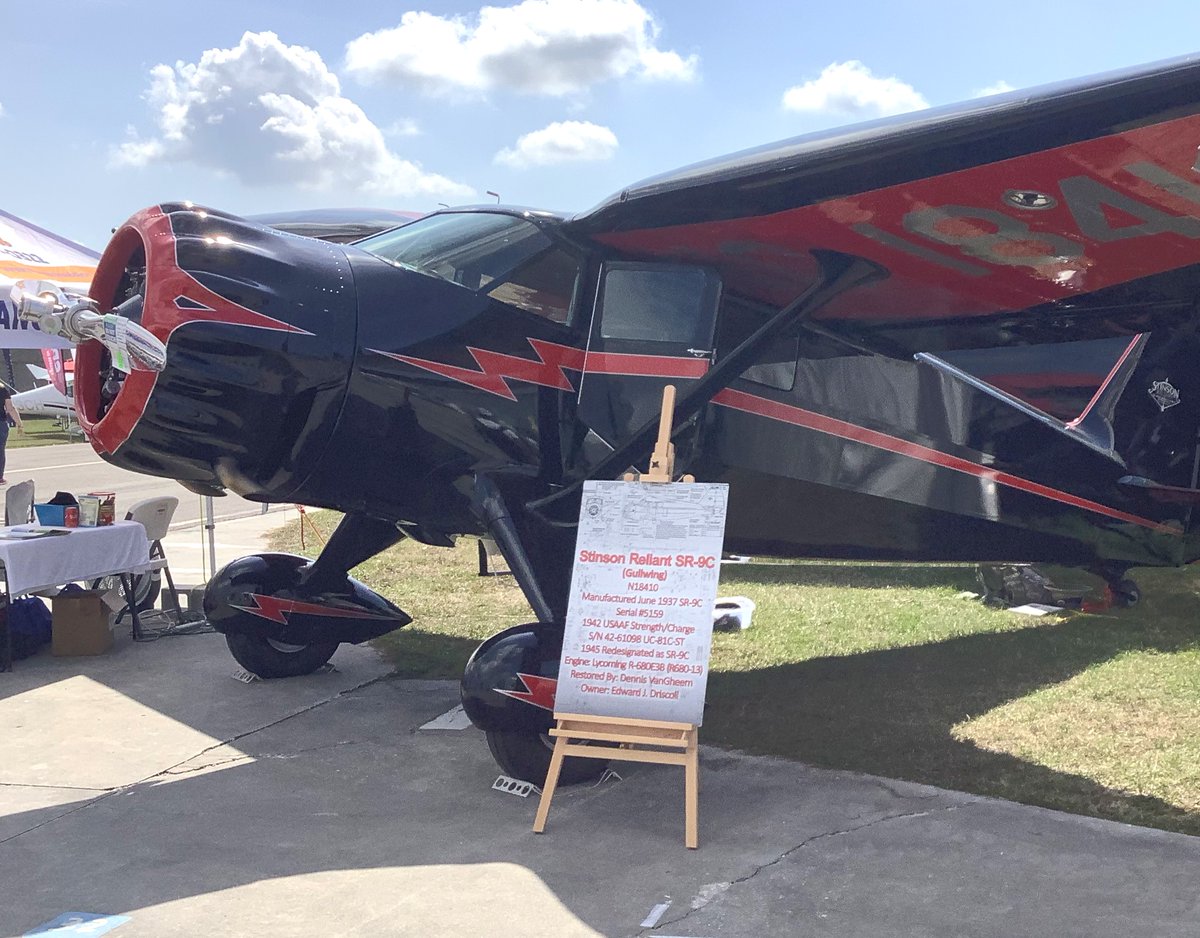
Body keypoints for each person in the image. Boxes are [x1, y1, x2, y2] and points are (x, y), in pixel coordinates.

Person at [0, 382, 25, 484]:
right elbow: (10, 408)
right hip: (1, 423)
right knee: (0, 450)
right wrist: (19, 423)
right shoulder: (2, 389)